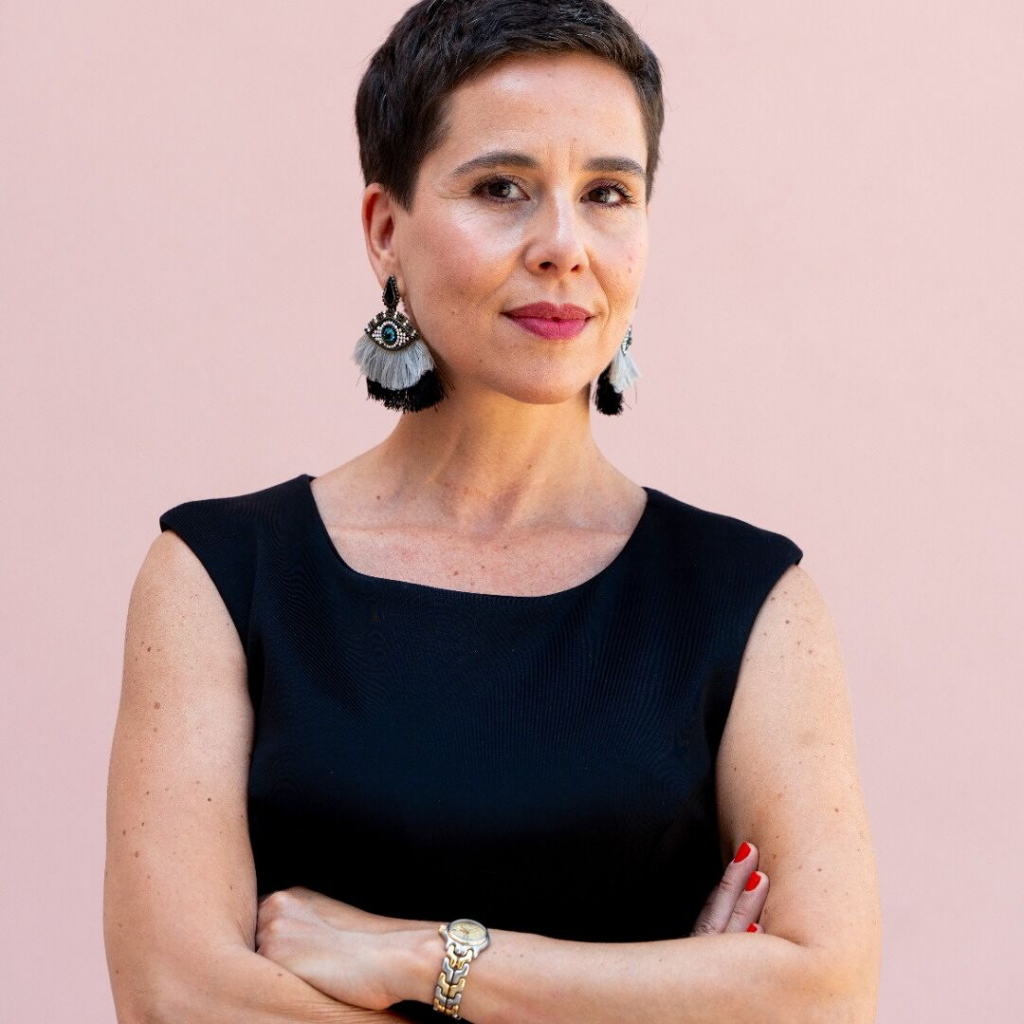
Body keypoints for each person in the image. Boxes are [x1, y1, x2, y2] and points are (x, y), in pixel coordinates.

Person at [104, 1, 882, 1021]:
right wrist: (657, 1000)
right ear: (385, 229)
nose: (564, 244)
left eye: (607, 192)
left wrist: (419, 957)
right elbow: (179, 999)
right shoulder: (218, 578)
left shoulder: (754, 601)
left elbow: (826, 999)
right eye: (500, 188)